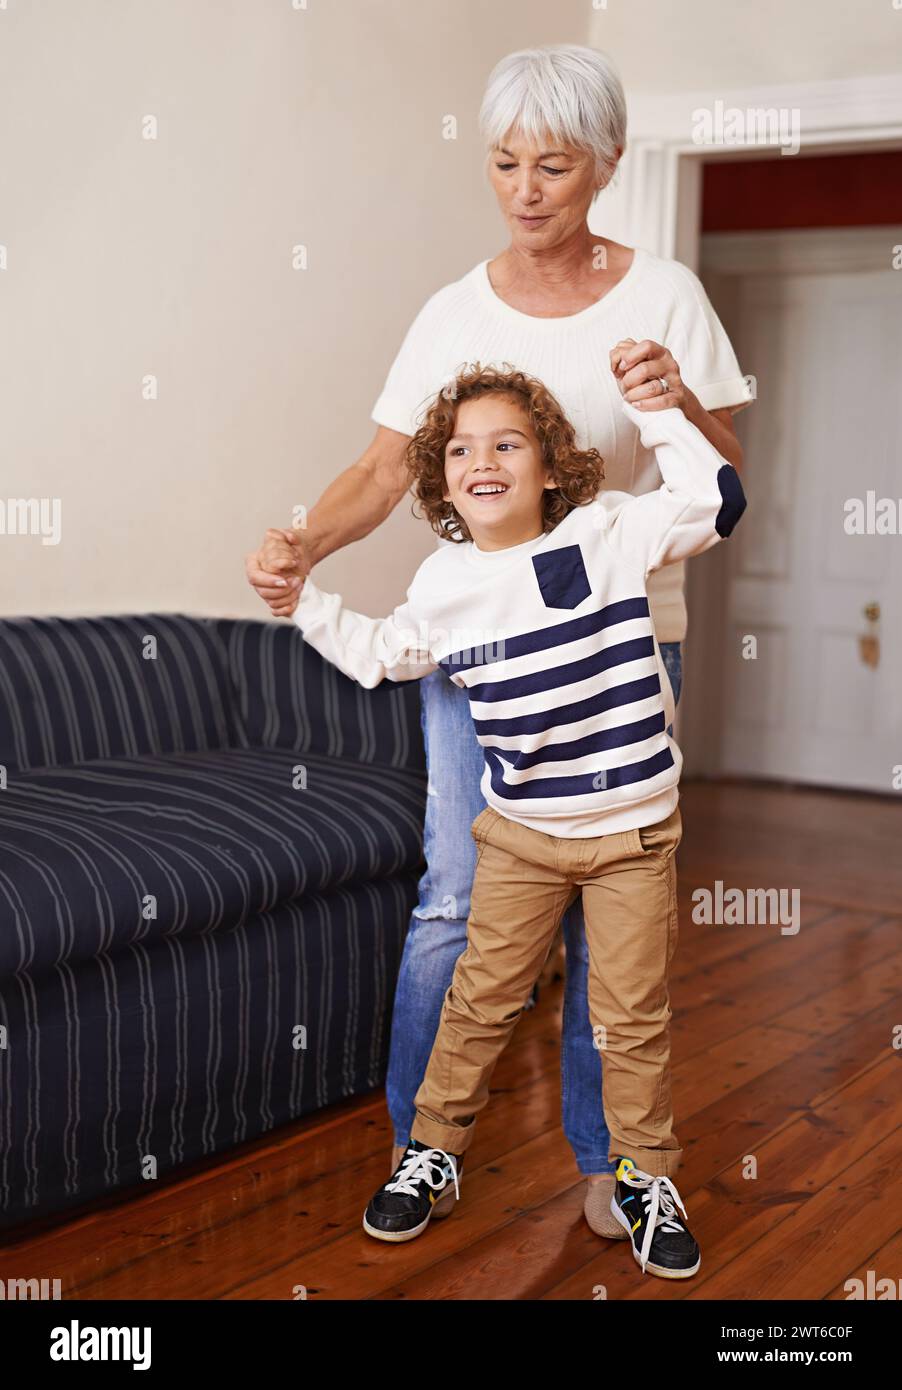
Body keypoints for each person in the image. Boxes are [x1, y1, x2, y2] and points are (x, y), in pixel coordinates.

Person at [244, 44, 752, 1236]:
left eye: (555, 165)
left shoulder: (664, 293)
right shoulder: (452, 313)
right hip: (484, 656)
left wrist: (671, 400)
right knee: (454, 900)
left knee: (606, 924)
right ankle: (422, 1145)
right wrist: (302, 549)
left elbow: (724, 483)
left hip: (625, 642)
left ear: (606, 166)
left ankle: (608, 1165)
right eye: (505, 162)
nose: (526, 189)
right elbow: (381, 469)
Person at [274, 361, 746, 1278]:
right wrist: (304, 602)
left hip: (633, 838)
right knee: (480, 1002)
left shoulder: (608, 532)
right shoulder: (445, 583)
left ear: (549, 467)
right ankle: (432, 1150)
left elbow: (716, 500)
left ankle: (643, 1175)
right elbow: (382, 654)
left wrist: (659, 413)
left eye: (506, 443)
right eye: (459, 449)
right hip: (523, 840)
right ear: (441, 478)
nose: (480, 460)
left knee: (630, 1015)